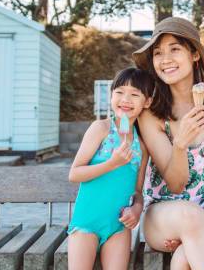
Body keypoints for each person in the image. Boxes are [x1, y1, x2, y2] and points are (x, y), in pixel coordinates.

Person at [133, 17, 204, 270]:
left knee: (185, 258)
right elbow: (176, 183)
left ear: (194, 54)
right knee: (190, 216)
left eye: (175, 49)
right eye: (158, 53)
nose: (165, 59)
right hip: (165, 215)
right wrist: (180, 143)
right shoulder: (151, 112)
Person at [67, 67, 153, 270]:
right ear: (111, 95)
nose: (126, 99)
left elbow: (138, 191)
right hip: (86, 222)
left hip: (118, 227)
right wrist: (112, 163)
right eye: (120, 92)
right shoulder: (101, 129)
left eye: (134, 94)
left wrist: (137, 209)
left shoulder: (141, 146)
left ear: (147, 102)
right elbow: (74, 173)